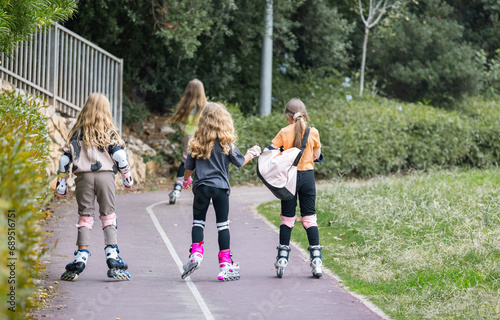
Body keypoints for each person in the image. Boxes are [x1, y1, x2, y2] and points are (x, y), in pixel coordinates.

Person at [55, 93, 133, 281]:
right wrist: (126, 176)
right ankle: (112, 257)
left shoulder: (77, 132)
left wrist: (61, 182)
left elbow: (65, 159)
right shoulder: (109, 132)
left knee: (85, 218)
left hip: (83, 178)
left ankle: (81, 257)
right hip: (106, 177)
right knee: (108, 216)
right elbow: (120, 156)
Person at [180, 102, 261, 281]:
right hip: (220, 189)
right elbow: (240, 162)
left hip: (201, 188)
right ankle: (225, 263)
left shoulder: (196, 143)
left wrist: (186, 180)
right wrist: (252, 153)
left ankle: (196, 253)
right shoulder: (226, 143)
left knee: (198, 222)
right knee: (222, 225)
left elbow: (188, 167)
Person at [265, 98, 323, 278]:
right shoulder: (313, 132)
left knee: (287, 219)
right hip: (307, 178)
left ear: (287, 116)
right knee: (309, 218)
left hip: (288, 178)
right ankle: (316, 260)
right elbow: (317, 155)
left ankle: (282, 258)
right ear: (304, 115)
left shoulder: (283, 132)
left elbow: (270, 152)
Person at [168, 79, 207, 204]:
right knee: (204, 161)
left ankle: (177, 190)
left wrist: (184, 130)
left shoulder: (185, 106)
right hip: (203, 136)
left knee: (186, 161)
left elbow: (181, 123)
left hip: (189, 136)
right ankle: (205, 192)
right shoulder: (205, 106)